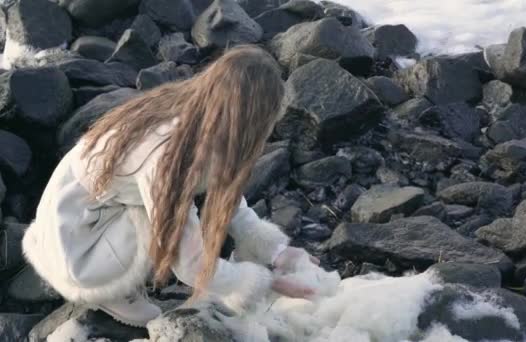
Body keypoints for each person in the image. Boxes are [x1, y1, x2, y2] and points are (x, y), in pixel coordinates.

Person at [21, 45, 318, 327]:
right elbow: (187, 262)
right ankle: (106, 289)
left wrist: (277, 252)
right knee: (165, 223)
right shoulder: (168, 154)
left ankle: (105, 266)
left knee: (174, 209)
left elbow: (225, 193)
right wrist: (260, 282)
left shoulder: (200, 114)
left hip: (89, 204)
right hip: (77, 235)